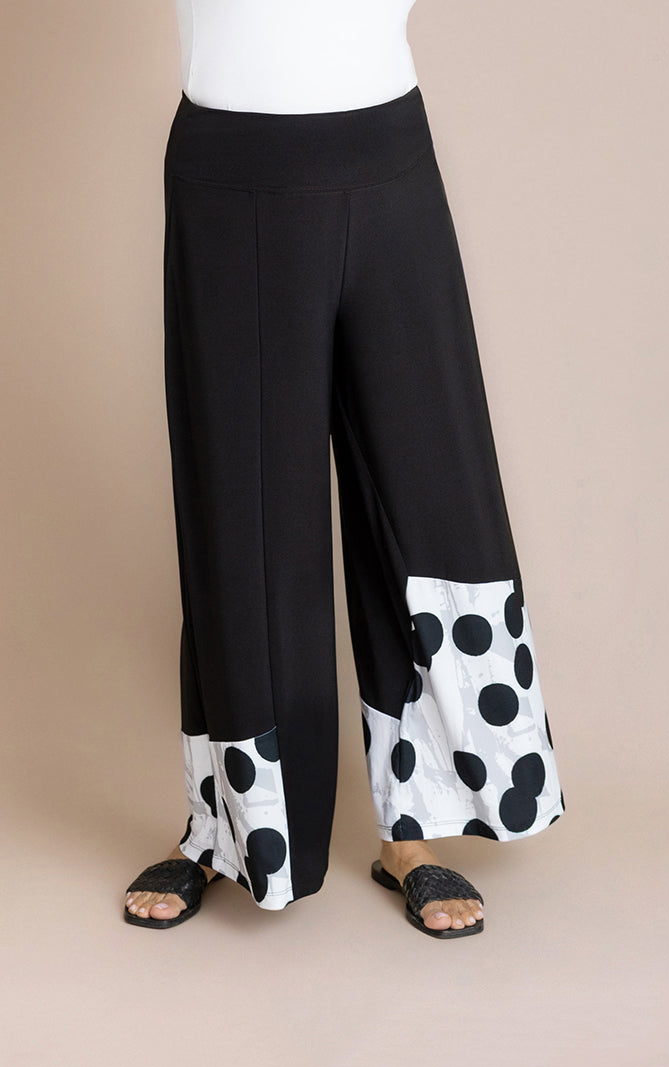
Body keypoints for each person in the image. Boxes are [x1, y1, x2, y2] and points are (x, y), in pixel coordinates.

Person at [124, 0, 565, 940]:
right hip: (232, 177)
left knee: (429, 488)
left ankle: (417, 825)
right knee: (243, 514)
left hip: (390, 159)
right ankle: (234, 827)